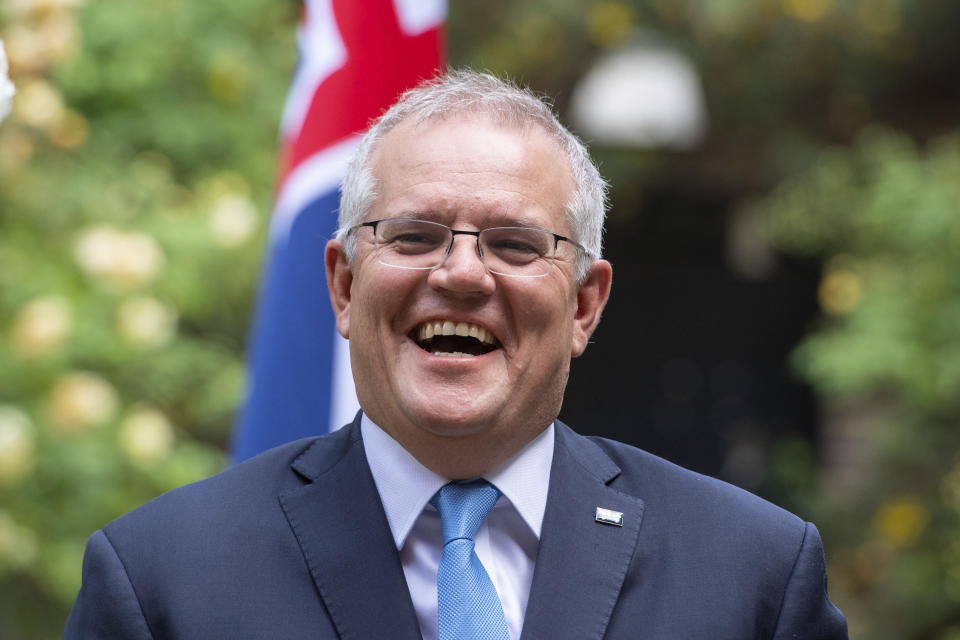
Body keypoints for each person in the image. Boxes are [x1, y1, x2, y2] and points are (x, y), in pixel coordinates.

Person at [65, 70, 848, 639]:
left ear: (583, 304)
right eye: (413, 236)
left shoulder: (755, 578)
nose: (462, 274)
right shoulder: (160, 579)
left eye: (514, 244)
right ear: (343, 285)